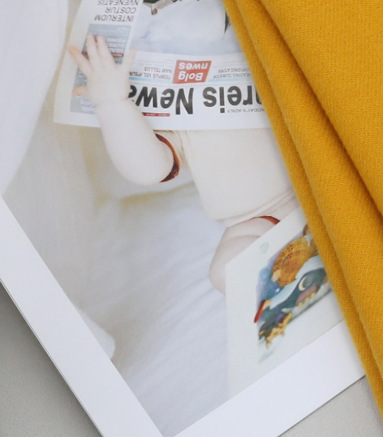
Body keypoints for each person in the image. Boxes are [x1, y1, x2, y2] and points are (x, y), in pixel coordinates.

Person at [67, 33, 298, 290]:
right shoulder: (177, 122)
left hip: (321, 166)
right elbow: (147, 169)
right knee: (228, 272)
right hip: (263, 217)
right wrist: (111, 103)